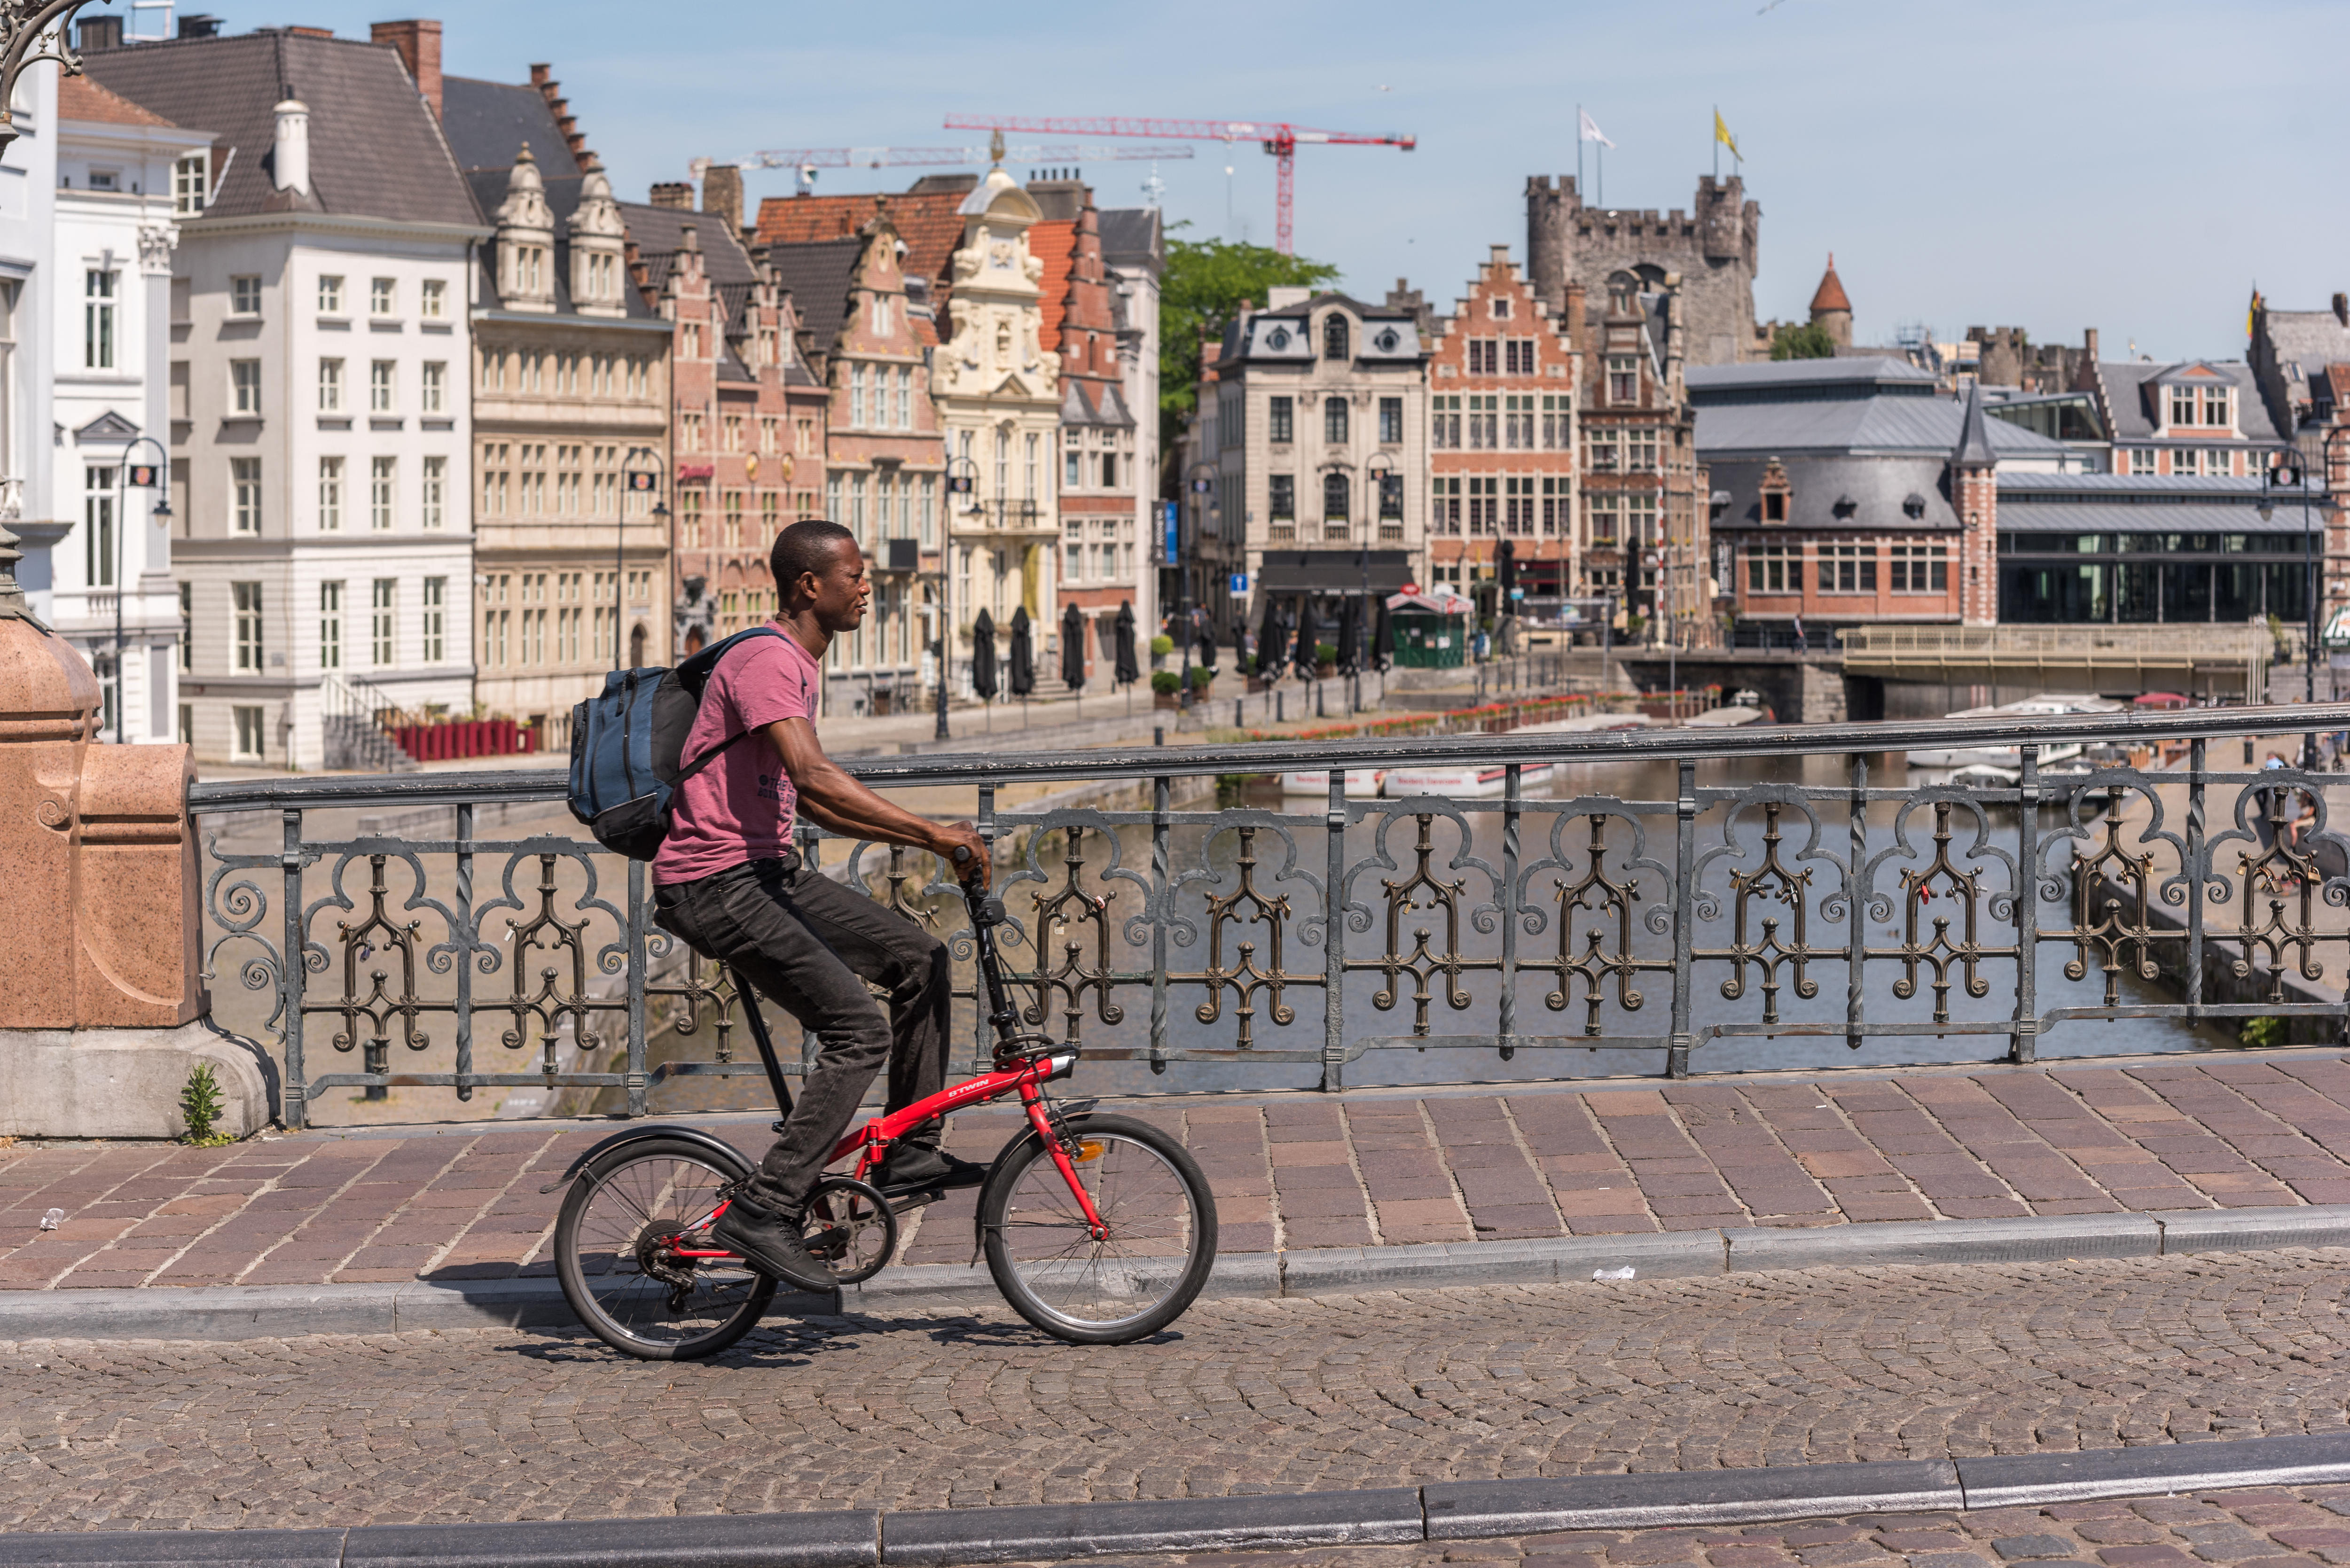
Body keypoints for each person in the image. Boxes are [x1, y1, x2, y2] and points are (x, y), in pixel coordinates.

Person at [651, 518, 990, 1291]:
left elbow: (824, 807)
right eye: (855, 574)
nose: (866, 586)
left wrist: (930, 838)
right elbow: (811, 775)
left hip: (769, 871)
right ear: (810, 585)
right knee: (856, 1029)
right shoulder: (769, 659)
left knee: (918, 957)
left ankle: (911, 1145)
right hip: (716, 881)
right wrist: (936, 833)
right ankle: (764, 1206)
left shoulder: (795, 662)